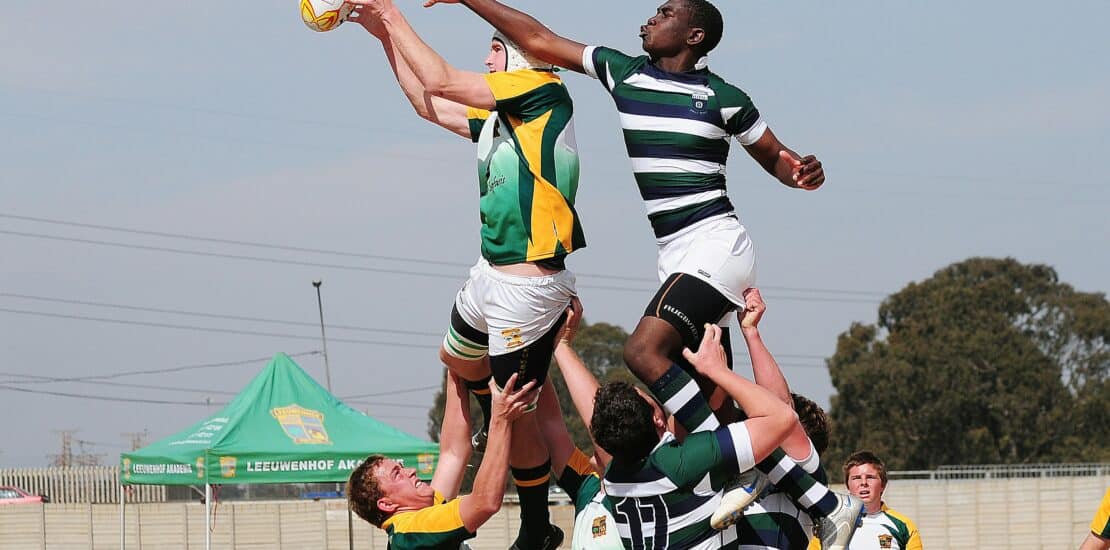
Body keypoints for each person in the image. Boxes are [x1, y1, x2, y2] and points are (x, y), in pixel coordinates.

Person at [418, 0, 858, 542]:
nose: (650, 18)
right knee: (691, 406)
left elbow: (777, 159)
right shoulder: (624, 73)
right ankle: (820, 504)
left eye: (665, 12)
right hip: (677, 257)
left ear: (694, 35)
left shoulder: (725, 97)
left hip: (718, 246)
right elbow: (538, 39)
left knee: (641, 352)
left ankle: (779, 488)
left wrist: (801, 174)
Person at [347, 2, 585, 547]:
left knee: (515, 412)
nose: (485, 57)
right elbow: (426, 102)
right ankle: (499, 419)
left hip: (525, 285)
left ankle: (533, 528)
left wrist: (389, 10)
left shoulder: (542, 93)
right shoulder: (503, 116)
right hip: (490, 274)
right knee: (456, 360)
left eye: (495, 49)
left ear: (523, 58)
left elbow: (440, 78)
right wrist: (381, 30)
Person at [347, 372, 535, 549]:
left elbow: (453, 453)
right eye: (397, 474)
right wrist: (500, 419)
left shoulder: (418, 515)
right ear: (387, 504)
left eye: (401, 468)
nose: (410, 471)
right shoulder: (410, 533)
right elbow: (485, 502)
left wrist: (456, 366)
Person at [810, 451, 923, 550]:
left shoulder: (904, 526)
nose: (863, 483)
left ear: (883, 485)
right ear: (848, 486)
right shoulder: (830, 526)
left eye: (870, 477)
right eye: (856, 478)